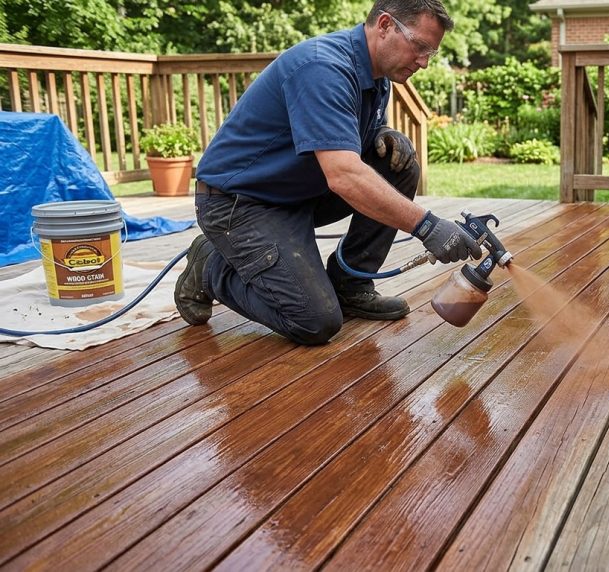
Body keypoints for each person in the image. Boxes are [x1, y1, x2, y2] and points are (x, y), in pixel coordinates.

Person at [174, 0, 481, 346]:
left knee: (398, 163)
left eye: (431, 53)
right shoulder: (324, 67)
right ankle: (209, 265)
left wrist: (380, 134)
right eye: (420, 47)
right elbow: (345, 176)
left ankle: (351, 284)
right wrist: (427, 226)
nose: (424, 62)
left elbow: (347, 145)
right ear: (384, 25)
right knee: (315, 321)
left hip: (294, 193)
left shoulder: (377, 77)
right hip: (239, 204)